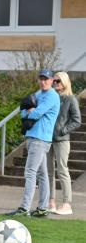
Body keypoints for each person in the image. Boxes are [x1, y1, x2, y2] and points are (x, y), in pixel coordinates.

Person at [7, 69, 60, 218]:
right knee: (42, 175)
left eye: (46, 79)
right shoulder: (38, 94)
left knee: (30, 172)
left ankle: (24, 209)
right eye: (41, 79)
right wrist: (29, 111)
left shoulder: (52, 96)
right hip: (33, 137)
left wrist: (31, 110)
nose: (43, 82)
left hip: (40, 139)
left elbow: (37, 113)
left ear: (52, 81)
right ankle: (42, 209)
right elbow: (23, 112)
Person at [47, 71, 82, 215]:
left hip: (62, 140)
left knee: (62, 170)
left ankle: (67, 204)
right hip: (48, 138)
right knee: (48, 172)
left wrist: (62, 130)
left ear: (65, 82)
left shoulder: (70, 99)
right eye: (54, 81)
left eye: (58, 81)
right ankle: (51, 201)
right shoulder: (51, 97)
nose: (55, 83)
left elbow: (77, 120)